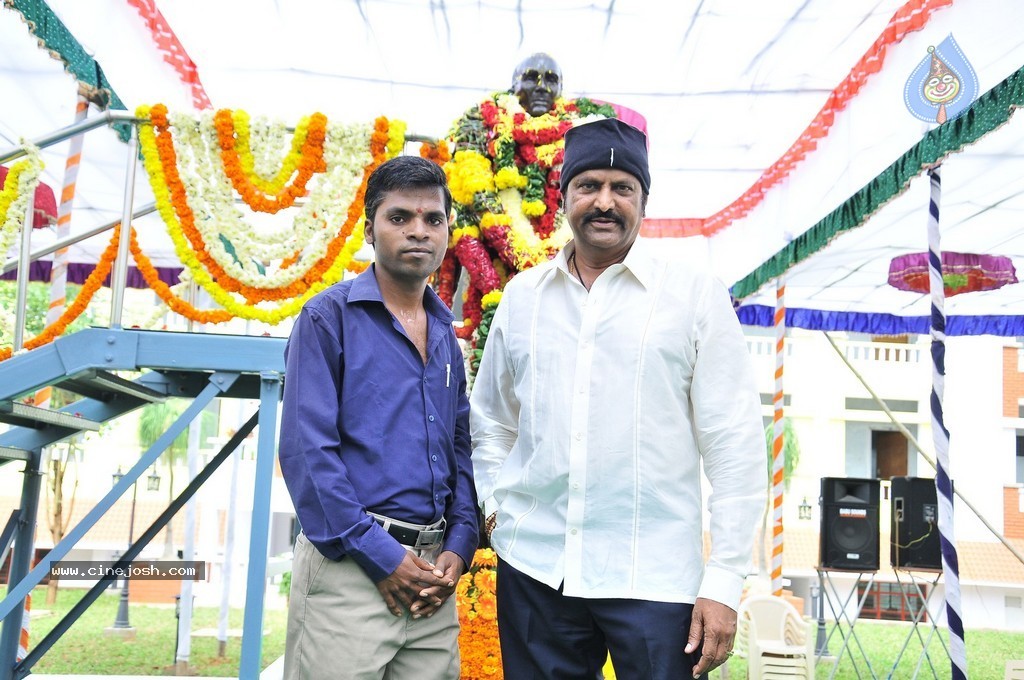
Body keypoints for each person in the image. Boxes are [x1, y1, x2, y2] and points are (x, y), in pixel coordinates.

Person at [470, 118, 767, 680]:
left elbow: (735, 446)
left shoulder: (693, 295)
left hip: (653, 578)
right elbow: (490, 424)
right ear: (564, 197)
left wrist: (725, 578)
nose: (604, 202)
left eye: (621, 188)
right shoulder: (522, 298)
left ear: (643, 201)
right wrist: (495, 508)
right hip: (536, 569)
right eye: (589, 186)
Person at [279, 155, 478, 679]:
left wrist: (461, 540)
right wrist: (380, 555)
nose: (419, 231)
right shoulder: (328, 319)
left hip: (433, 579)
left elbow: (459, 446)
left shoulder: (444, 335)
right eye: (400, 218)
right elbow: (307, 453)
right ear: (370, 229)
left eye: (433, 220)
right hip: (351, 571)